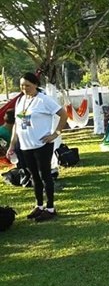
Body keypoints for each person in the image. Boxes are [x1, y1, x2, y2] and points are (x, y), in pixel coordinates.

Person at [6, 72, 68, 222]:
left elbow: (63, 114)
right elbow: (17, 124)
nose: (24, 88)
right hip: (26, 145)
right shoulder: (20, 101)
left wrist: (55, 134)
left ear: (35, 85)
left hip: (42, 144)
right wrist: (12, 144)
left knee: (45, 175)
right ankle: (39, 206)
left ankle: (51, 208)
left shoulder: (44, 100)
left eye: (27, 85)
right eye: (22, 85)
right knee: (33, 176)